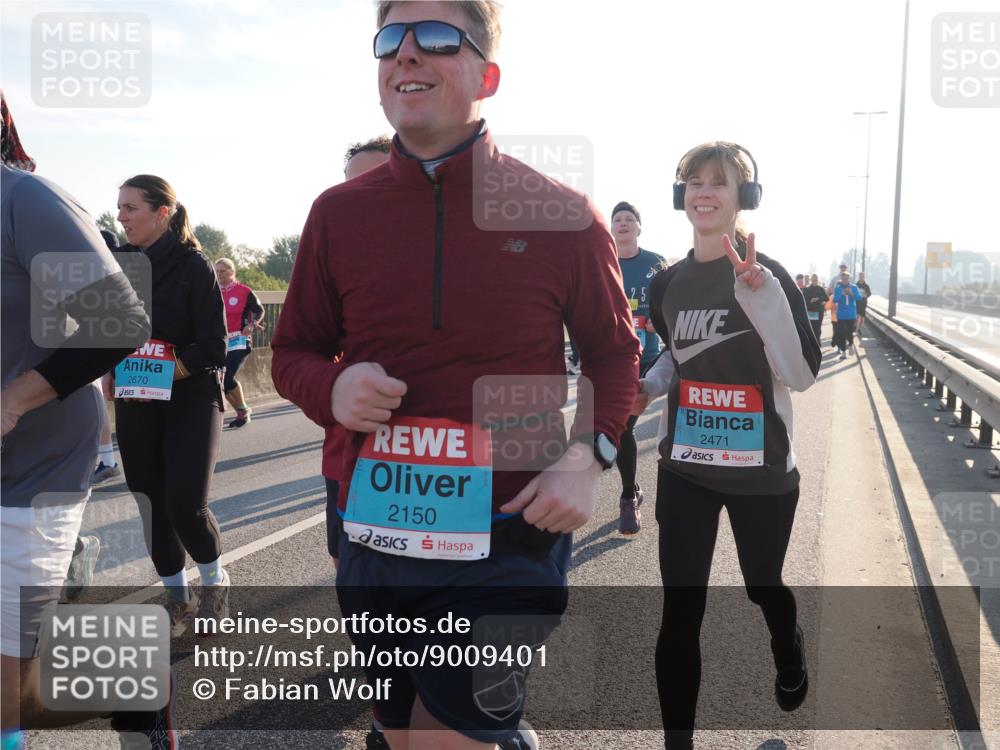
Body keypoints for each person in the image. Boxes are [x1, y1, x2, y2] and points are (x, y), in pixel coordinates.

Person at [270, 3, 639, 748]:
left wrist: (586, 456)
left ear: (487, 75)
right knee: (394, 733)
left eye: (435, 39)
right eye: (389, 41)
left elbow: (614, 353)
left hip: (507, 536)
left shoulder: (564, 216)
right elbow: (292, 351)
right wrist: (333, 390)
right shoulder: (337, 214)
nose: (405, 55)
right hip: (371, 534)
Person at [637, 142, 820, 750]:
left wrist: (761, 297)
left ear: (746, 197)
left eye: (719, 182)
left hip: (762, 473)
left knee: (761, 584)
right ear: (680, 195)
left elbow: (800, 374)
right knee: (679, 612)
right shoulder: (666, 282)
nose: (703, 191)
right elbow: (676, 355)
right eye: (693, 181)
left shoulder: (770, 277)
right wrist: (650, 386)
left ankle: (786, 647)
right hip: (686, 469)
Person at [1, 93, 153, 748]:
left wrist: (11, 400)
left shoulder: (24, 201)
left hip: (29, 475)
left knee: (8, 701)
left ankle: (133, 687)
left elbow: (119, 323)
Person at [112, 175, 230, 638]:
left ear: (162, 212)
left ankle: (215, 583)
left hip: (191, 396)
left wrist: (166, 368)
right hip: (136, 398)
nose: (121, 217)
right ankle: (176, 596)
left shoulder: (194, 266)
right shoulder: (117, 263)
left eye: (130, 208)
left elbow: (215, 345)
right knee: (151, 502)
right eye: (118, 208)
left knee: (185, 503)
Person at [610, 200, 665, 535]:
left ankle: (628, 498)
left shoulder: (655, 263)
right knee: (618, 430)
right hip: (614, 360)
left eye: (630, 218)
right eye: (618, 219)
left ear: (639, 227)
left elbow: (669, 305)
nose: (624, 223)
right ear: (611, 227)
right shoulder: (601, 260)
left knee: (623, 427)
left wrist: (658, 322)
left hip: (648, 360)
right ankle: (631, 492)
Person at [214, 257, 265, 428]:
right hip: (221, 341)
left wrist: (251, 324)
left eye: (222, 271)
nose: (219, 274)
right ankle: (242, 411)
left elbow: (259, 310)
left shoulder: (244, 291)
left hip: (240, 340)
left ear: (232, 272)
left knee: (228, 376)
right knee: (220, 381)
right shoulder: (213, 291)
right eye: (217, 271)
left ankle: (242, 409)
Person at [833, 271, 861, 360]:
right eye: (843, 279)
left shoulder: (854, 287)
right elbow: (834, 300)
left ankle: (851, 344)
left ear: (849, 279)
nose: (845, 280)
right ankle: (843, 352)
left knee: (849, 332)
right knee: (841, 333)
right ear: (841, 279)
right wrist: (842, 294)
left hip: (851, 314)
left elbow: (859, 298)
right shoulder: (838, 288)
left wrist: (852, 293)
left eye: (846, 278)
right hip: (841, 315)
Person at [801, 273, 829, 344]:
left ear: (817, 280)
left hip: (819, 311)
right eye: (813, 279)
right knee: (811, 327)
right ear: (811, 280)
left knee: (818, 327)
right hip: (810, 311)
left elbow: (826, 298)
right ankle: (812, 342)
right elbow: (804, 300)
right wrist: (810, 300)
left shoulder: (821, 289)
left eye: (816, 279)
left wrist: (819, 298)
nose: (814, 280)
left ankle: (817, 340)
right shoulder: (807, 289)